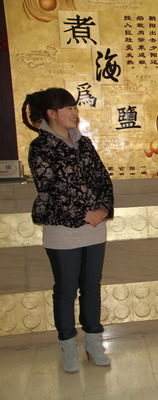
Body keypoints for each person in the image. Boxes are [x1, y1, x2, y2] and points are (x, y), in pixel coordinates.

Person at [24, 88, 114, 373]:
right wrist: (83, 212)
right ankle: (68, 346)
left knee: (91, 287)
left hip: (94, 228)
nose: (74, 113)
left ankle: (94, 343)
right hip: (62, 230)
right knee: (65, 290)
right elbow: (49, 189)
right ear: (51, 114)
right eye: (68, 108)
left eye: (75, 107)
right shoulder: (40, 147)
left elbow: (102, 179)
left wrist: (102, 209)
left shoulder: (84, 143)